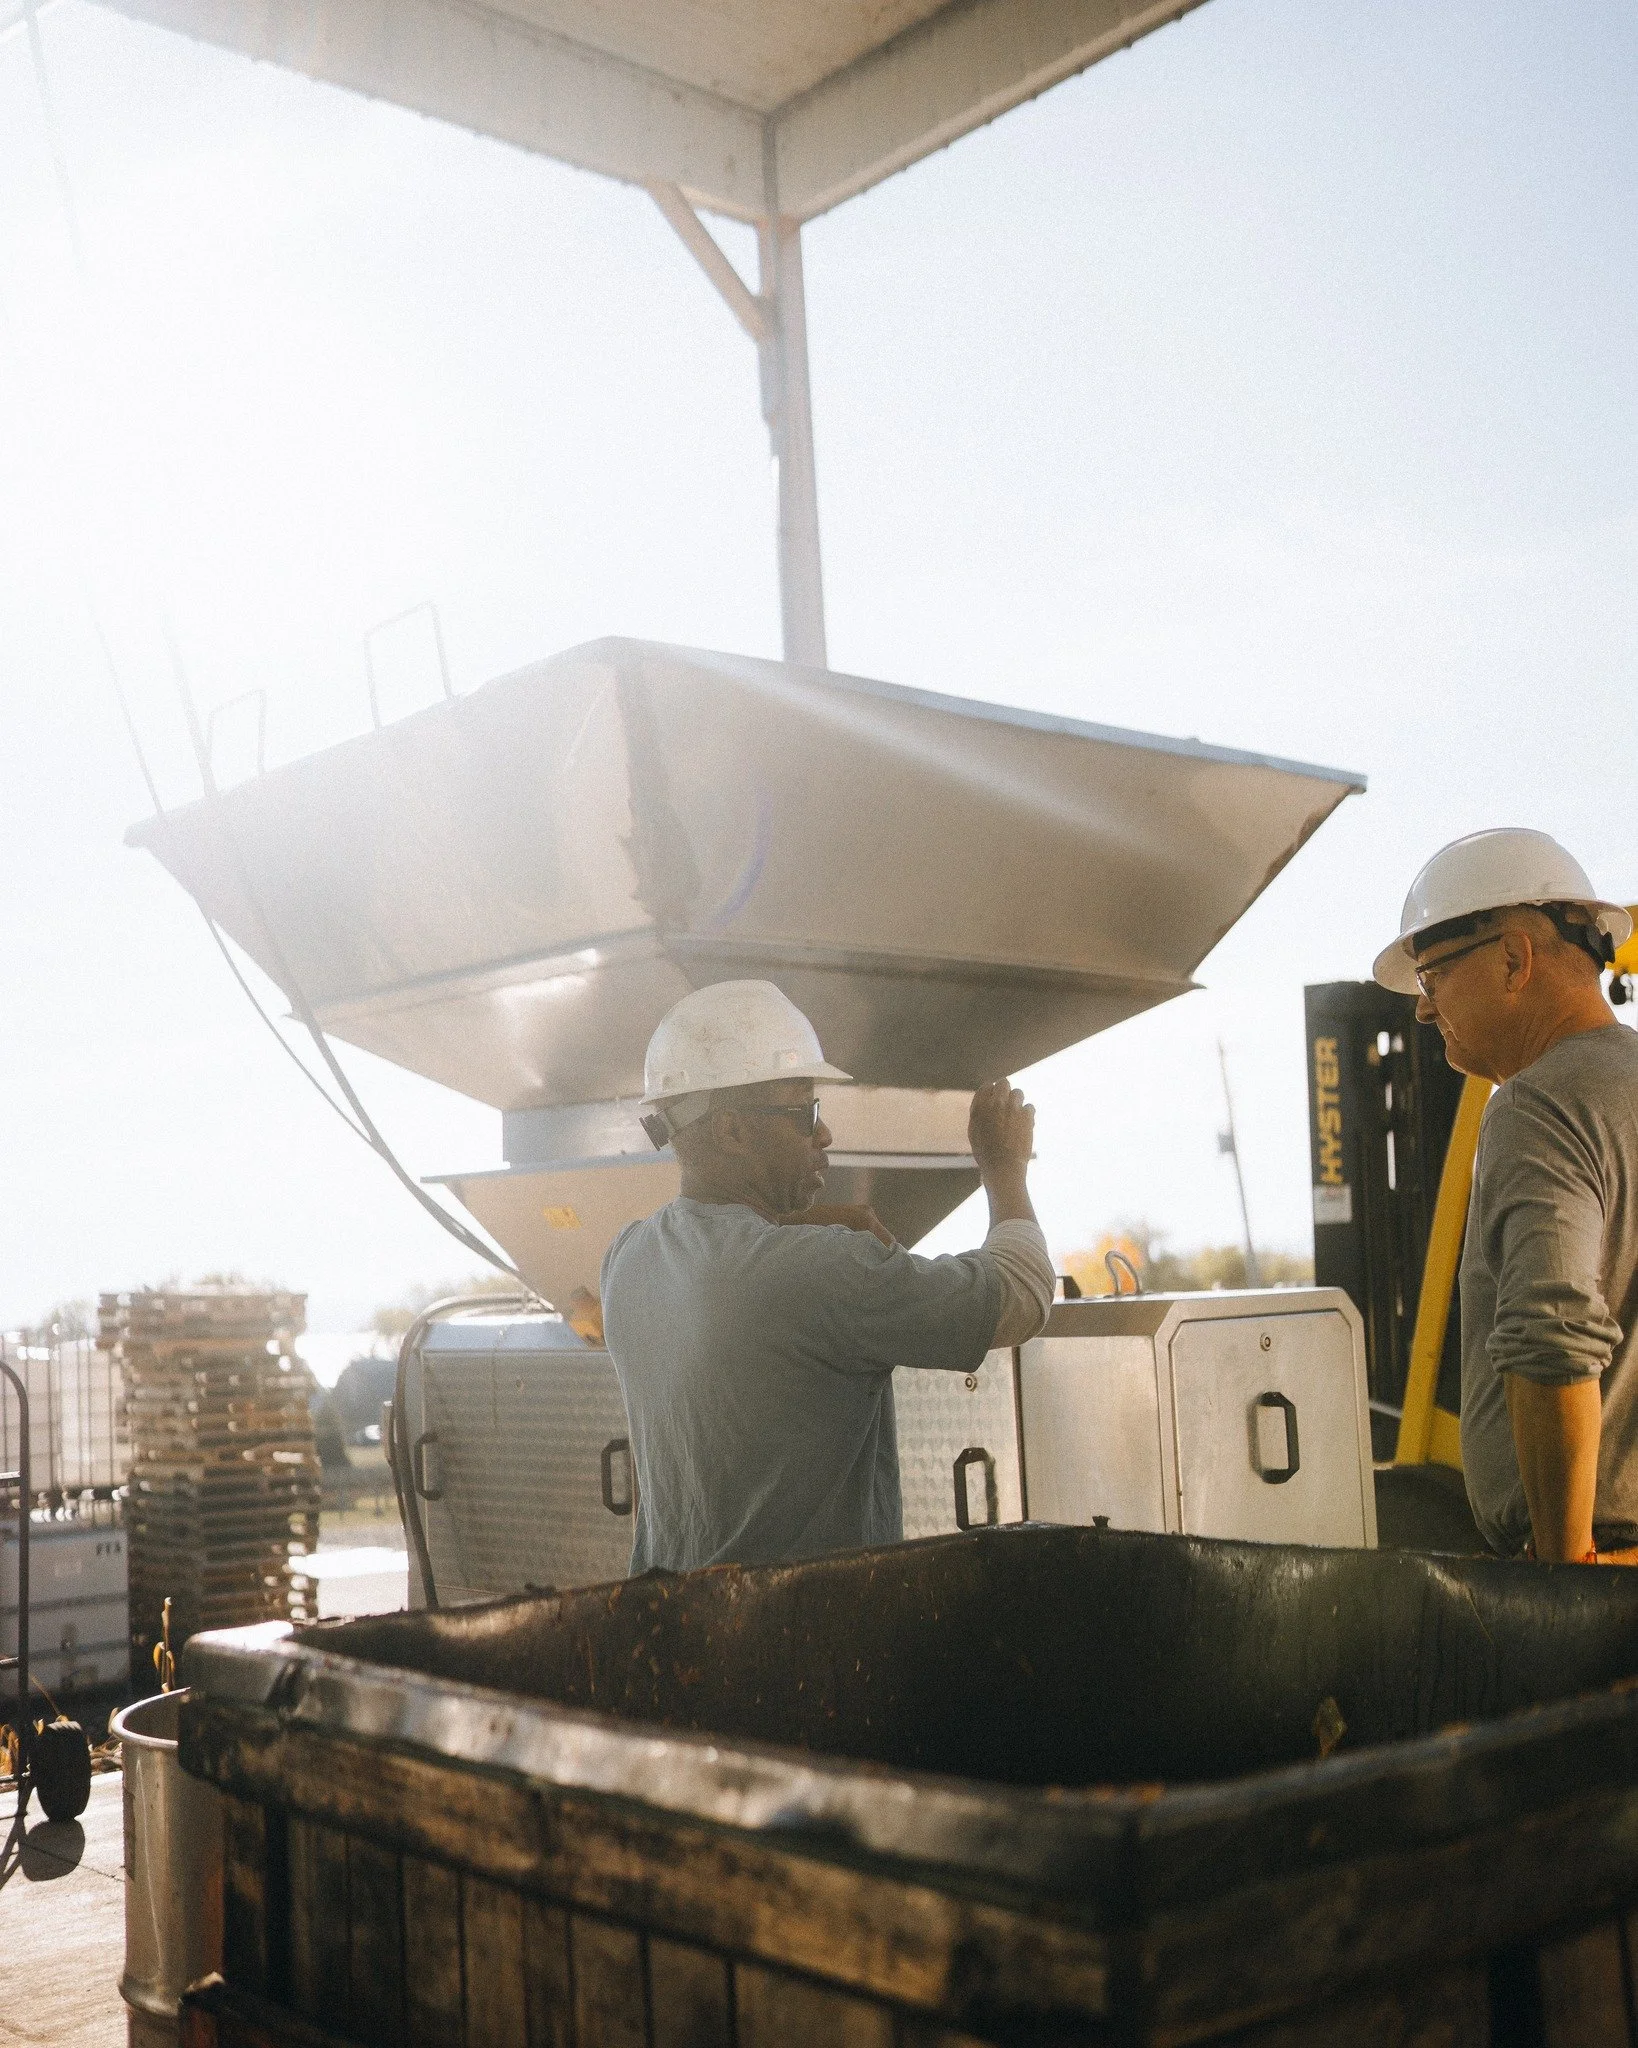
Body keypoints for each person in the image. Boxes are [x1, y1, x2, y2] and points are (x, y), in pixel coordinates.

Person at [602, 979, 1055, 1573]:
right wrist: (1003, 1169)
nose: (823, 1135)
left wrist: (830, 1222)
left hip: (677, 1631)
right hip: (805, 1641)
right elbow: (1022, 1294)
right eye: (803, 1113)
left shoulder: (627, 1260)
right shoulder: (822, 1271)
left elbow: (728, 1250)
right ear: (732, 1132)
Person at [1374, 829, 1637, 1562]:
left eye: (1432, 978)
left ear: (1514, 959)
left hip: (1600, 1574)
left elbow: (1552, 1335)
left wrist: (1563, 1569)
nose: (1424, 1011)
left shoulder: (1535, 1104)